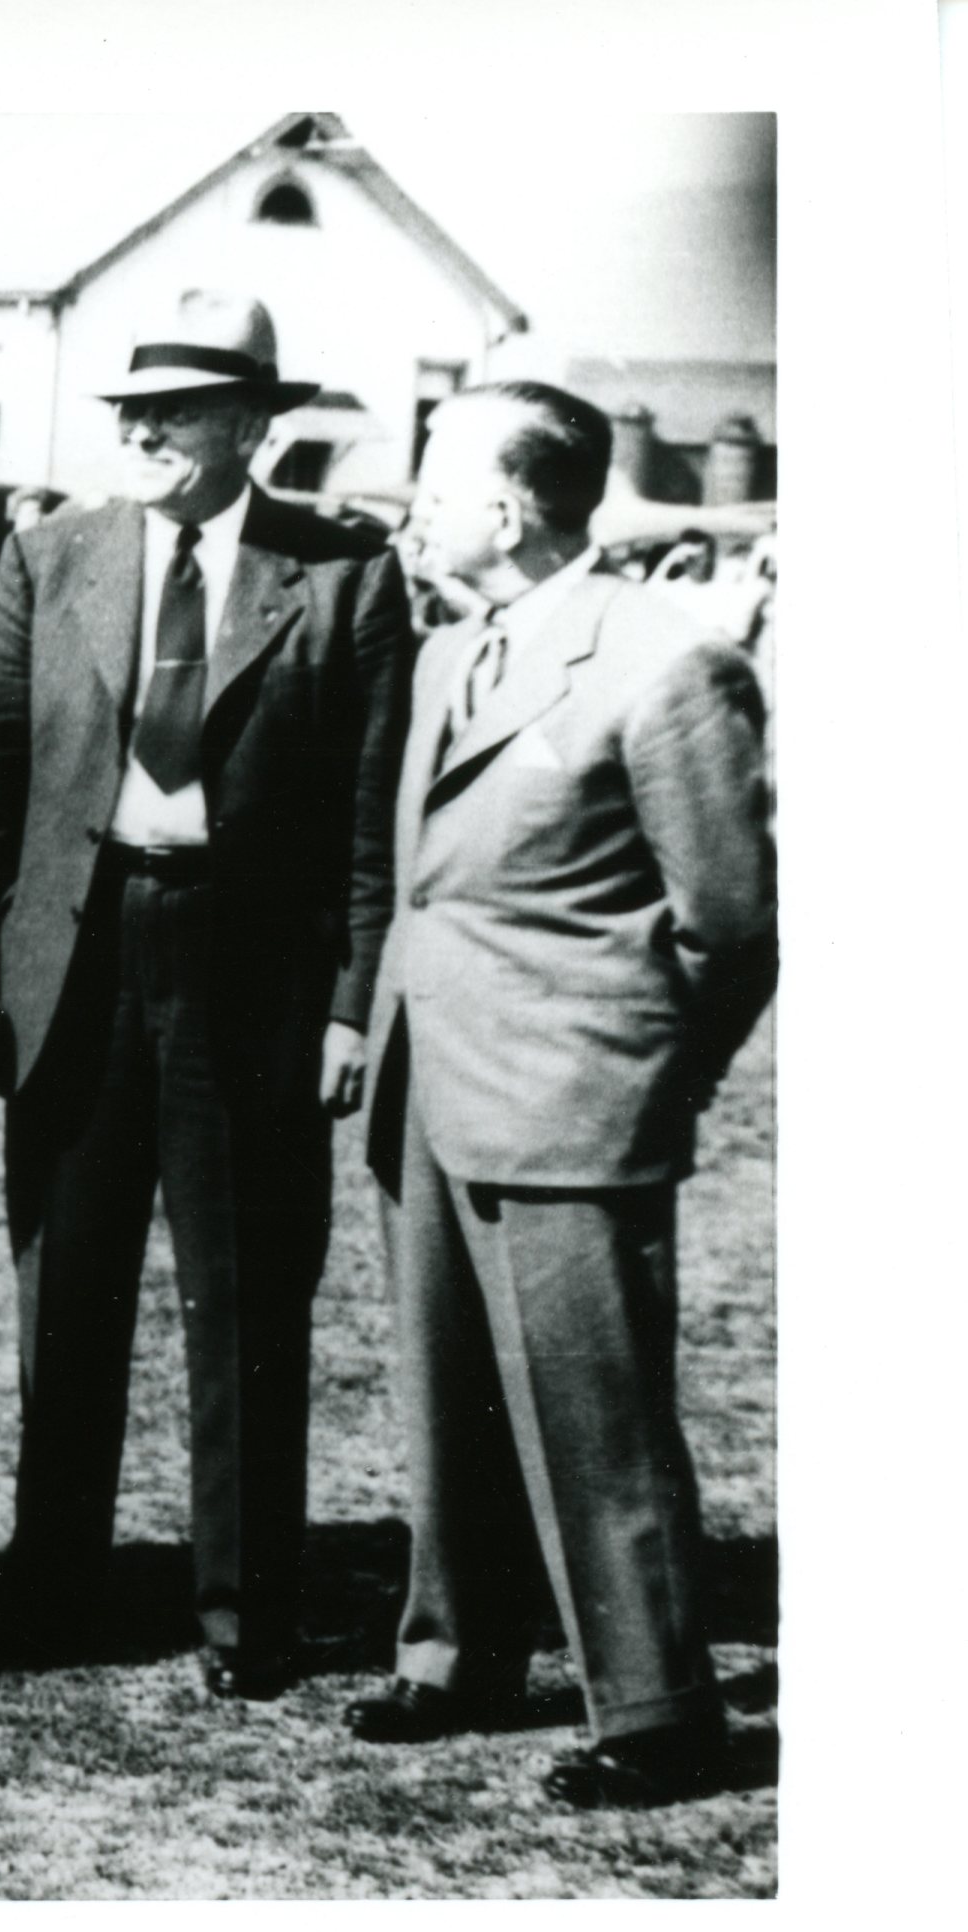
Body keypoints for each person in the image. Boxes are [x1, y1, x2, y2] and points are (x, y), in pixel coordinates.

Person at [0, 290, 409, 1699]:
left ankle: (246, 1616)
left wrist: (350, 1006)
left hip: (251, 982)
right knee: (66, 1293)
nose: (141, 432)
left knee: (245, 1298)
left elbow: (370, 824)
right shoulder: (50, 555)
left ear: (251, 426)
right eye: (132, 409)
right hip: (75, 967)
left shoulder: (344, 577)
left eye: (177, 411)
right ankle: (50, 1591)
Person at [343, 382, 776, 1807]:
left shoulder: (665, 660)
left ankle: (657, 1710)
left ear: (511, 505)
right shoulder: (448, 652)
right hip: (433, 1083)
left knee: (597, 1420)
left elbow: (730, 921)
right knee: (447, 1391)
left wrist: (652, 1075)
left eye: (434, 482)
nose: (411, 508)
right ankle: (457, 1655)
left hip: (575, 1099)